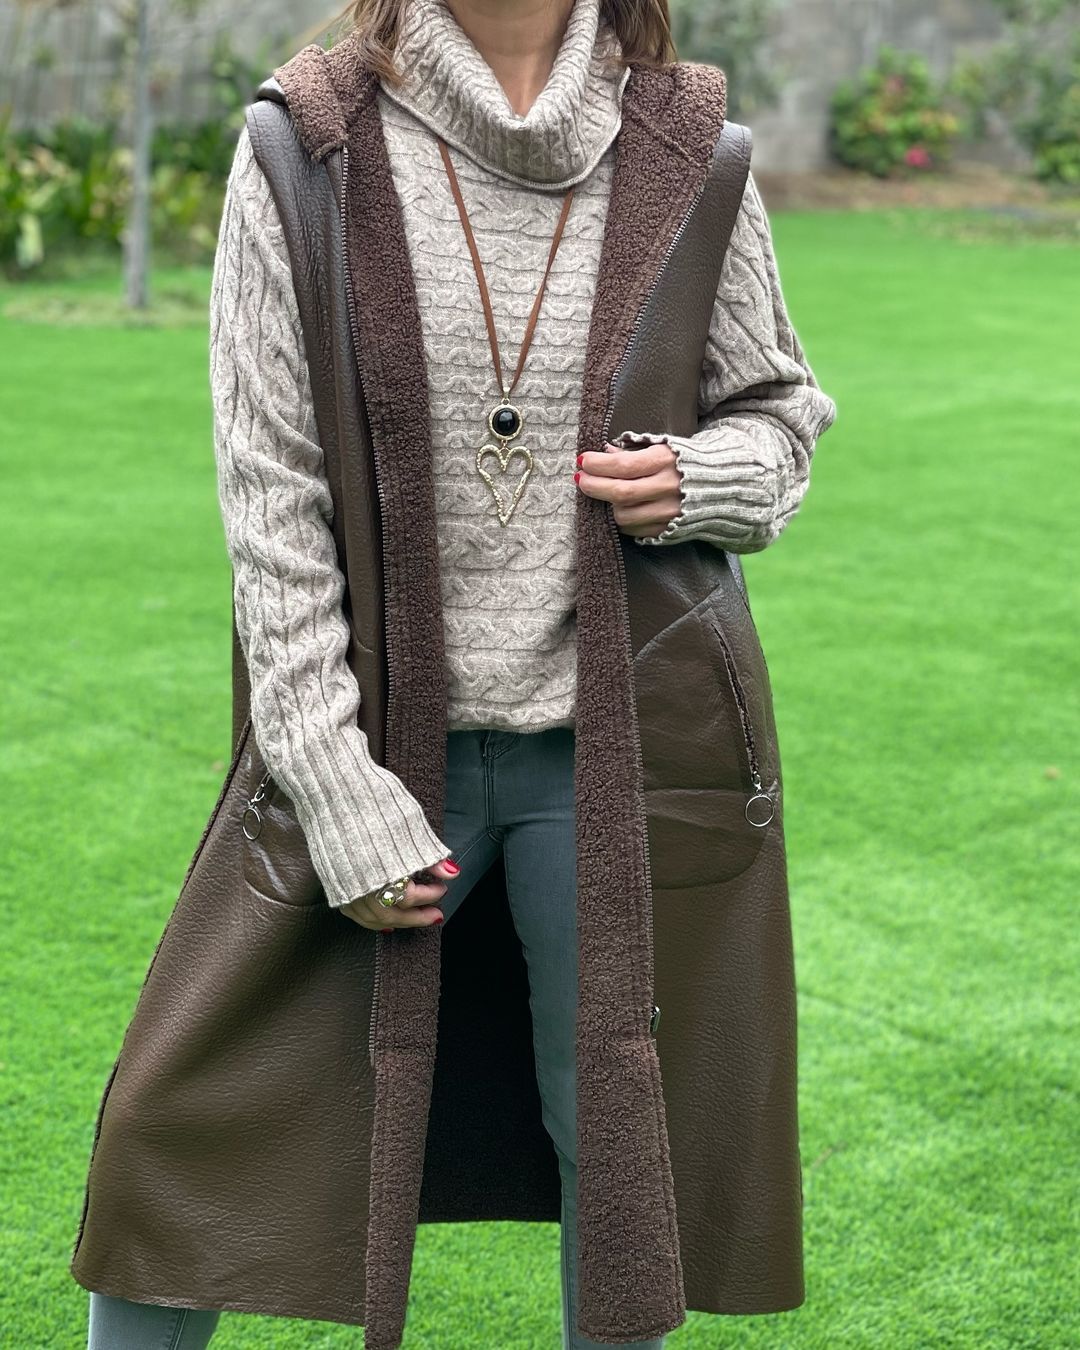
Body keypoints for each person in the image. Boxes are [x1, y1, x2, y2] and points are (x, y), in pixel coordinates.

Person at [75, 0, 837, 1346]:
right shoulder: (306, 145)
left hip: (622, 752)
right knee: (176, 1130)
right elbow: (272, 501)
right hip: (369, 748)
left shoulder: (690, 145)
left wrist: (700, 478)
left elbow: (777, 413)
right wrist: (332, 784)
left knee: (622, 1153)